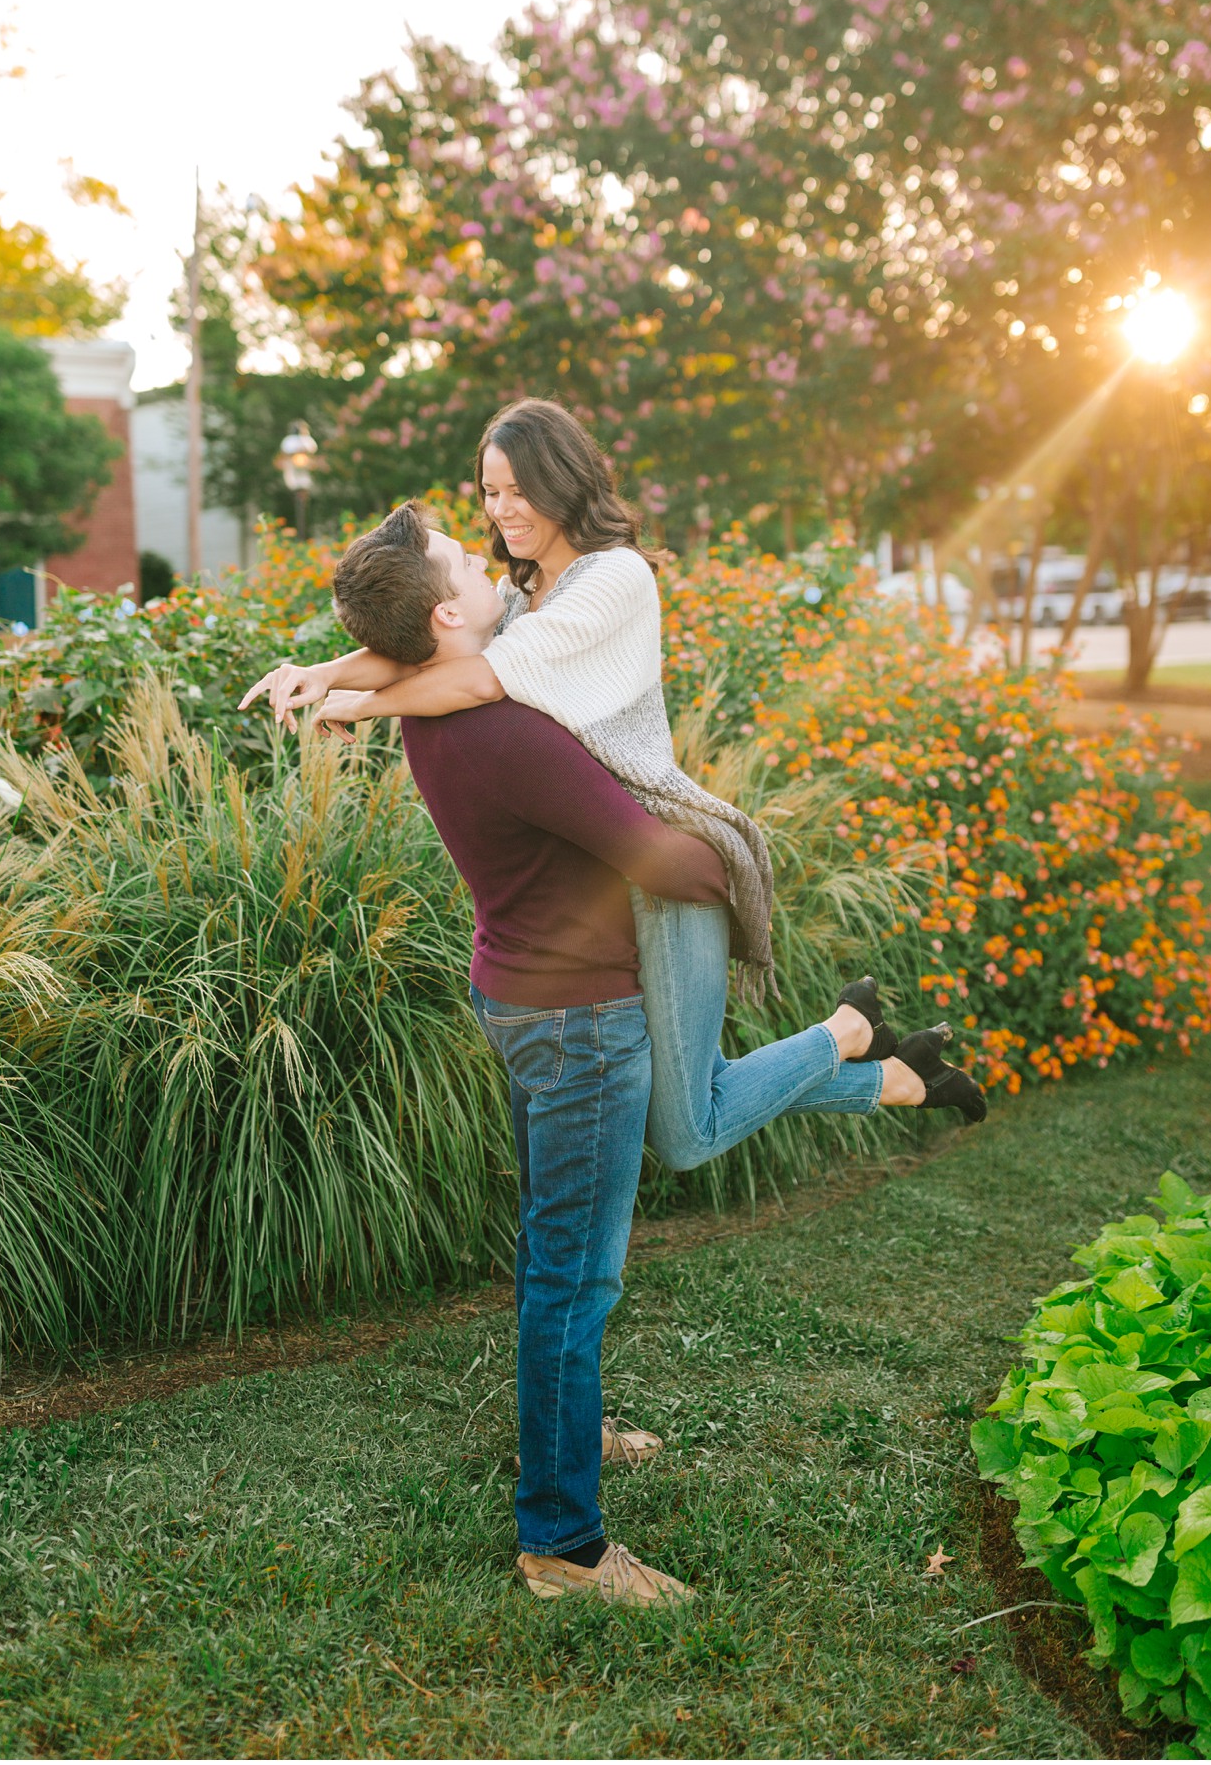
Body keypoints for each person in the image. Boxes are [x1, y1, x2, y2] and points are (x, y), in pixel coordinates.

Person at [244, 503, 938, 1607]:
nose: (494, 563)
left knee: (553, 1258)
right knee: (576, 1279)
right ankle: (562, 1545)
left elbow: (438, 666)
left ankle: (571, 1430)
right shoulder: (505, 728)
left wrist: (334, 682)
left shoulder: (443, 708)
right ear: (446, 613)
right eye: (469, 565)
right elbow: (651, 857)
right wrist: (730, 868)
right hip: (581, 1026)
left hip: (516, 997)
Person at [241, 400, 986, 1152]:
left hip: (663, 845)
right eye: (489, 493)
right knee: (694, 1110)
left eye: (515, 490)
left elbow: (477, 679)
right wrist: (322, 672)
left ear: (559, 481)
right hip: (608, 858)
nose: (500, 512)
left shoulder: (612, 580)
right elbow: (436, 640)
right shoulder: (522, 589)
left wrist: (361, 706)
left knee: (688, 1132)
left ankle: (846, 1030)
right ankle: (891, 1075)